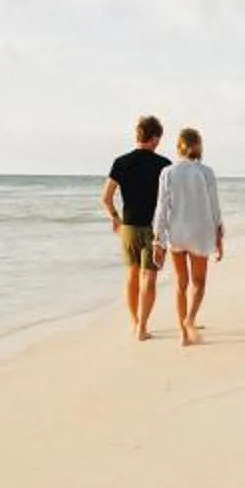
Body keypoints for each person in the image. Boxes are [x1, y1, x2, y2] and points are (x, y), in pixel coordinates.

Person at [153, 126, 225, 347]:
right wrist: (219, 236)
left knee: (181, 285)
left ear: (179, 147)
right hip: (200, 233)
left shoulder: (167, 172)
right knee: (199, 283)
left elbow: (162, 208)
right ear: (199, 146)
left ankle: (183, 335)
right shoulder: (206, 172)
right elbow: (215, 207)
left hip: (176, 234)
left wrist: (158, 240)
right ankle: (190, 320)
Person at [101, 117, 171, 341]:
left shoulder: (121, 162)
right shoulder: (164, 165)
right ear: (154, 139)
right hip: (154, 229)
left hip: (128, 227)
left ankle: (134, 323)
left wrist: (115, 218)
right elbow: (170, 202)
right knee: (149, 277)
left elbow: (106, 198)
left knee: (131, 275)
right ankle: (142, 326)